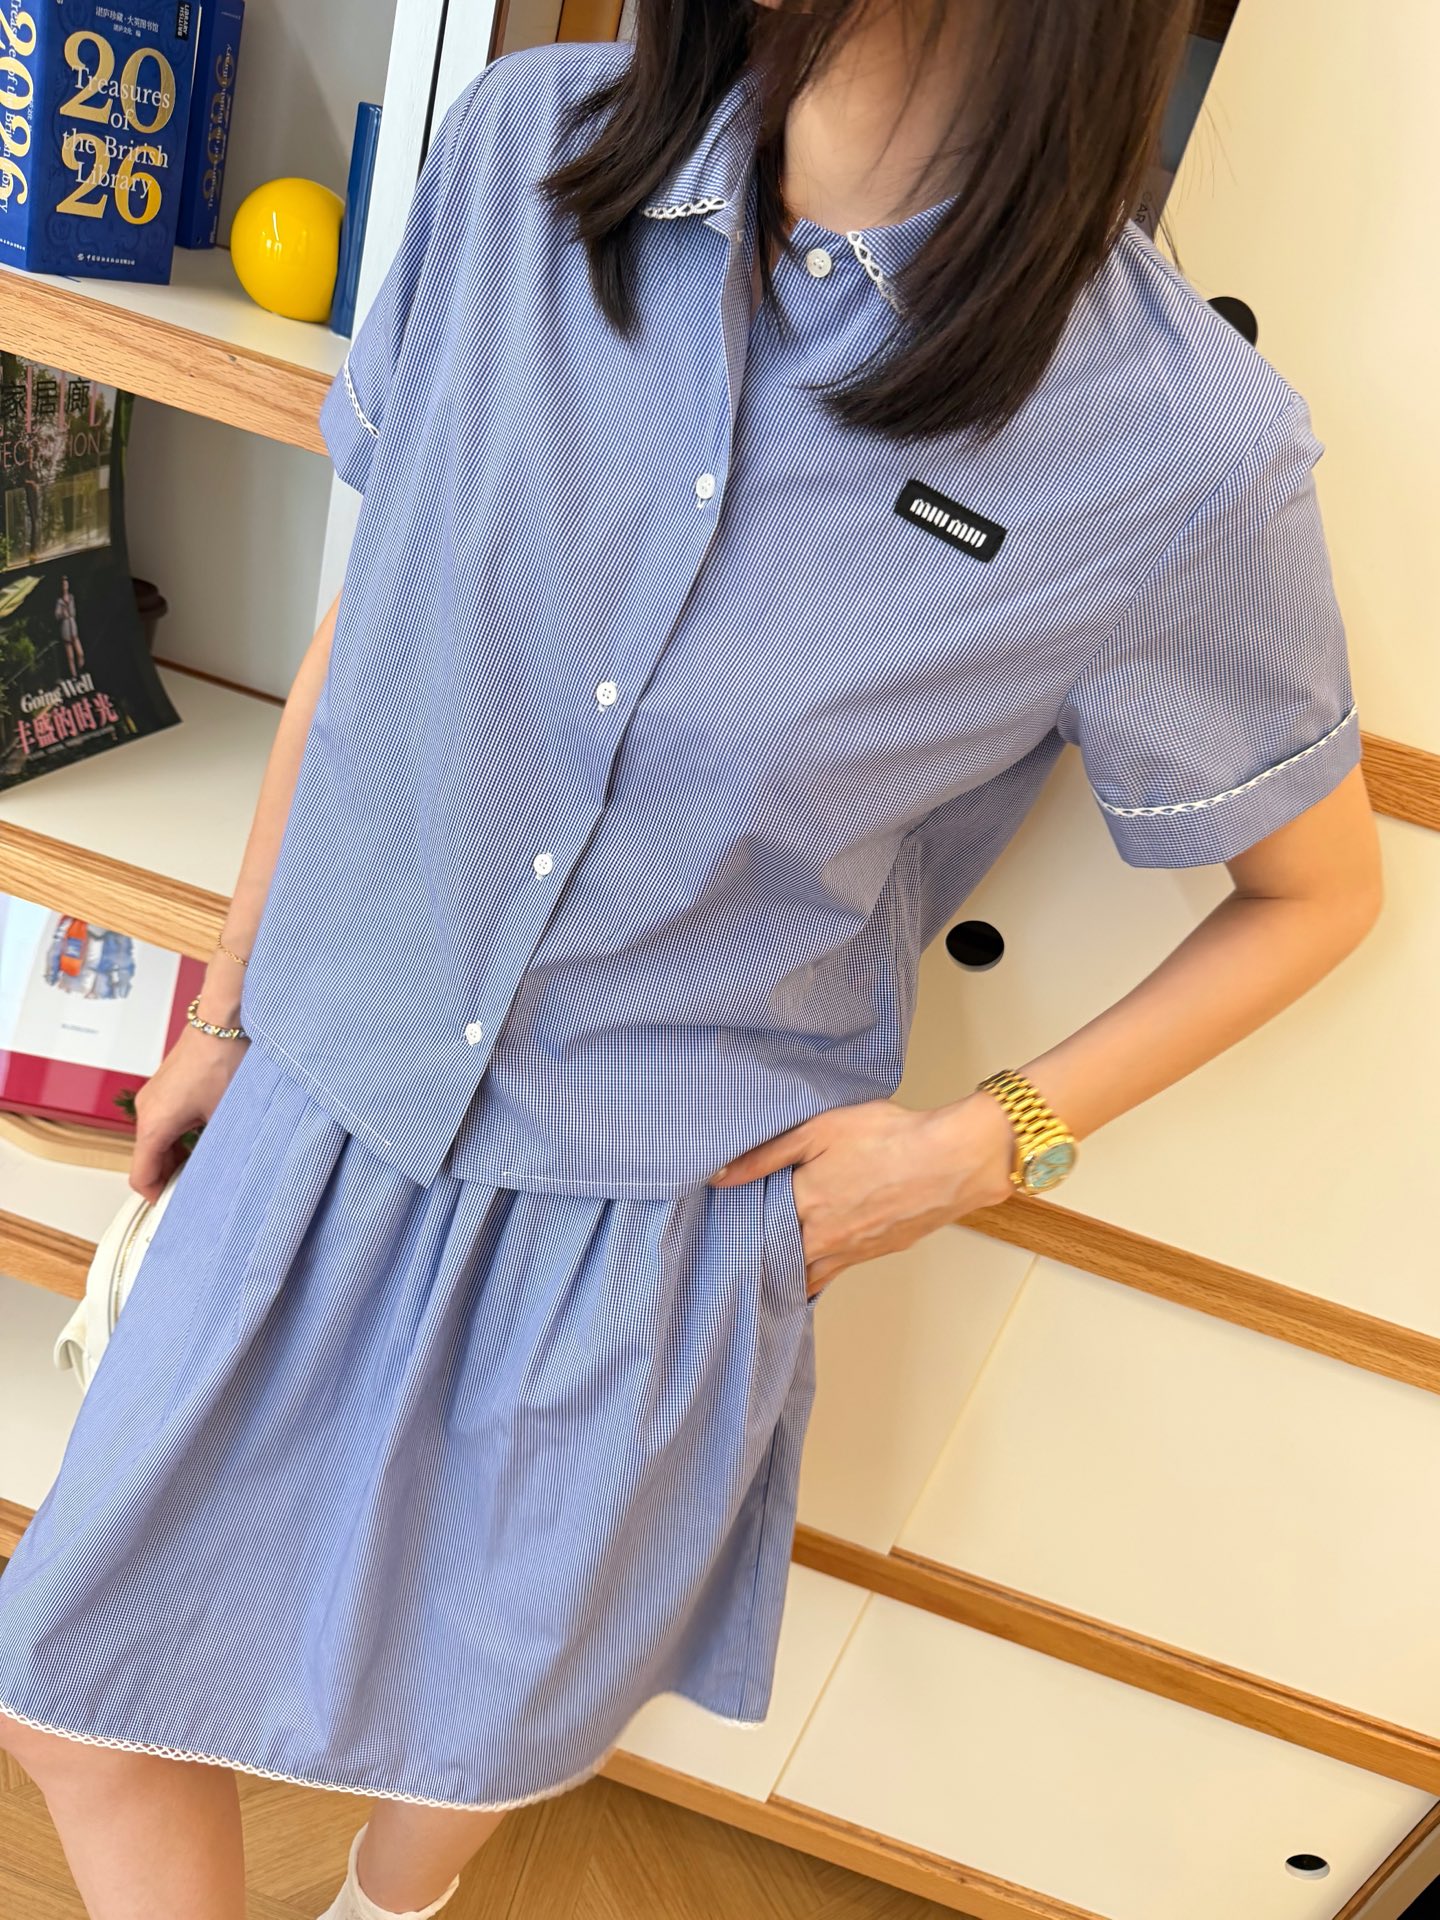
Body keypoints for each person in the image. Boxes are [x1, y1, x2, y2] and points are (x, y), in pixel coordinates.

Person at [0, 2, 1382, 1916]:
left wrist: (972, 1153)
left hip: (652, 1229)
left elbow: (1316, 895)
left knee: (479, 1728)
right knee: (74, 1698)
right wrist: (227, 1009)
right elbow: (366, 630)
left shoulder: (1172, 446)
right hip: (318, 1100)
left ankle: (393, 1907)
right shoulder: (522, 154)